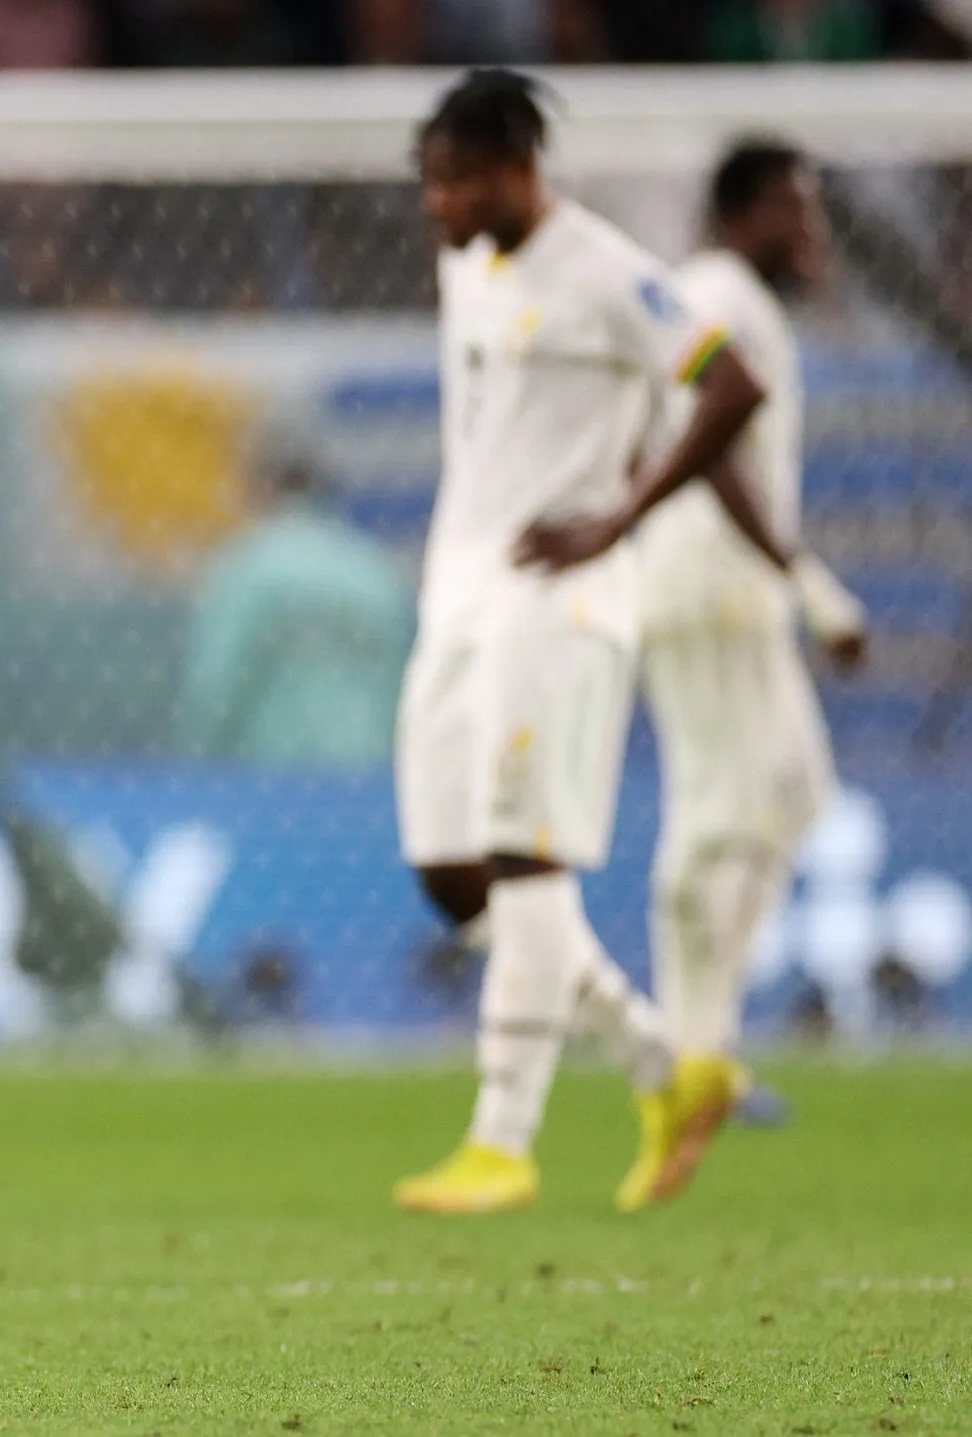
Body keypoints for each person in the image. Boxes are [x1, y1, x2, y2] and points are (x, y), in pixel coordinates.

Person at [389, 70, 775, 1217]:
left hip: (560, 601)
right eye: (431, 184)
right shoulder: (468, 267)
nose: (437, 205)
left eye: (455, 181)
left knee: (524, 856)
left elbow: (729, 383)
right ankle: (664, 1069)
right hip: (457, 594)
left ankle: (501, 1139)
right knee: (451, 874)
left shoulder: (611, 274)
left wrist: (621, 513)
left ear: (517, 168)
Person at [517, 140, 869, 1123]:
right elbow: (698, 439)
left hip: (730, 584)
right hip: (706, 581)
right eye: (796, 211)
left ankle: (708, 1047)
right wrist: (805, 578)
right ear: (743, 211)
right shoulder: (715, 291)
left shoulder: (731, 298)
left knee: (789, 797)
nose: (812, 234)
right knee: (721, 809)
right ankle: (688, 1058)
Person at [177, 430, 412, 768]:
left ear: (259, 489)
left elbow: (217, 689)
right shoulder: (372, 570)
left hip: (273, 780)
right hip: (366, 778)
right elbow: (400, 686)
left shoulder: (247, 568)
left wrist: (203, 770)